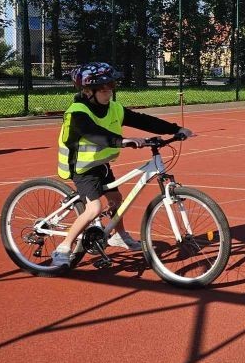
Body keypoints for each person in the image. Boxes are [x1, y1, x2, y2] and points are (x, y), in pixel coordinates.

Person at [52, 62, 194, 266]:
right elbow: (93, 134)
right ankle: (64, 247)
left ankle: (118, 236)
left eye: (111, 86)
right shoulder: (77, 112)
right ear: (87, 91)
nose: (109, 91)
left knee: (116, 199)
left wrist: (176, 129)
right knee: (93, 209)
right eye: (103, 88)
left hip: (101, 164)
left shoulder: (114, 108)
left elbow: (143, 120)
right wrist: (122, 141)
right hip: (82, 168)